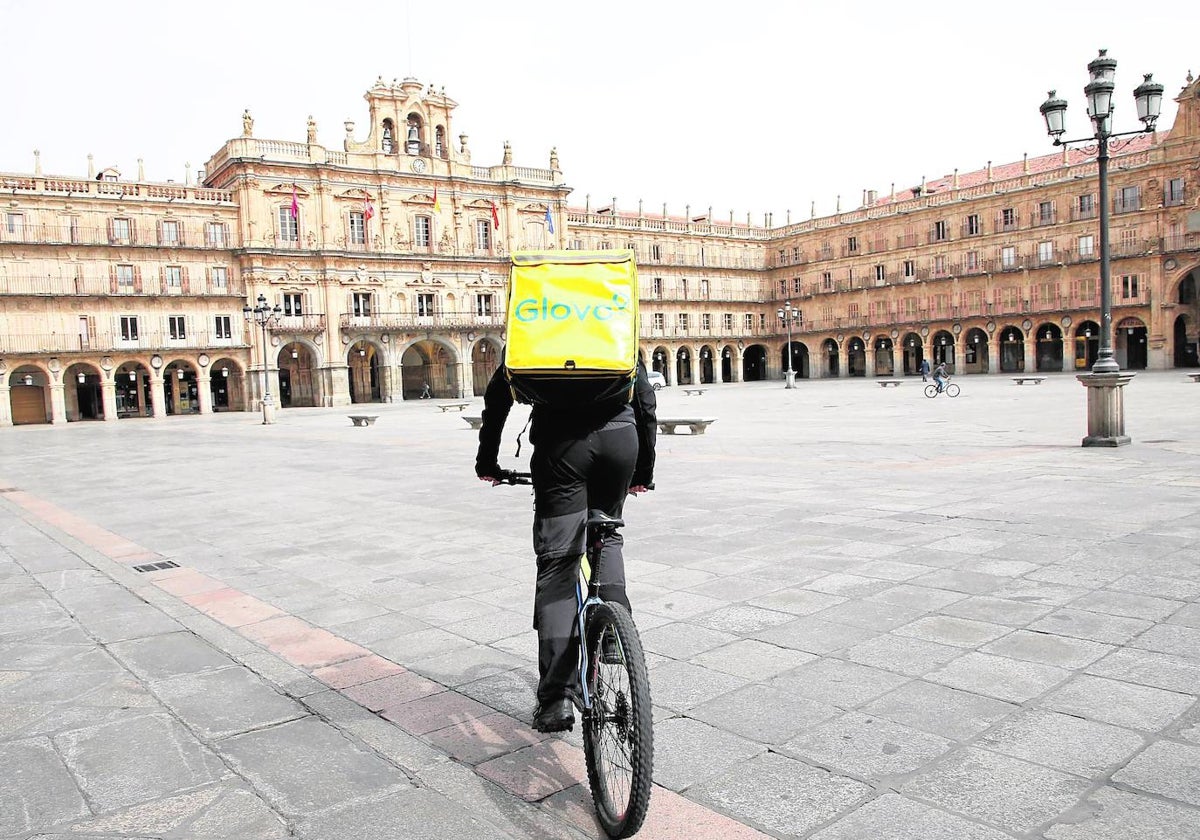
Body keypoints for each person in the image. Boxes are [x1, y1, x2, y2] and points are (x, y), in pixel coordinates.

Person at [476, 355, 657, 733]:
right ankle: (610, 639)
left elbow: (498, 398)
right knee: (606, 535)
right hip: (620, 442)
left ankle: (556, 698)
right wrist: (644, 469)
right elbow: (645, 399)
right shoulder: (612, 320)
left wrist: (487, 461)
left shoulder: (537, 325)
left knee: (559, 565)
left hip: (561, 448)